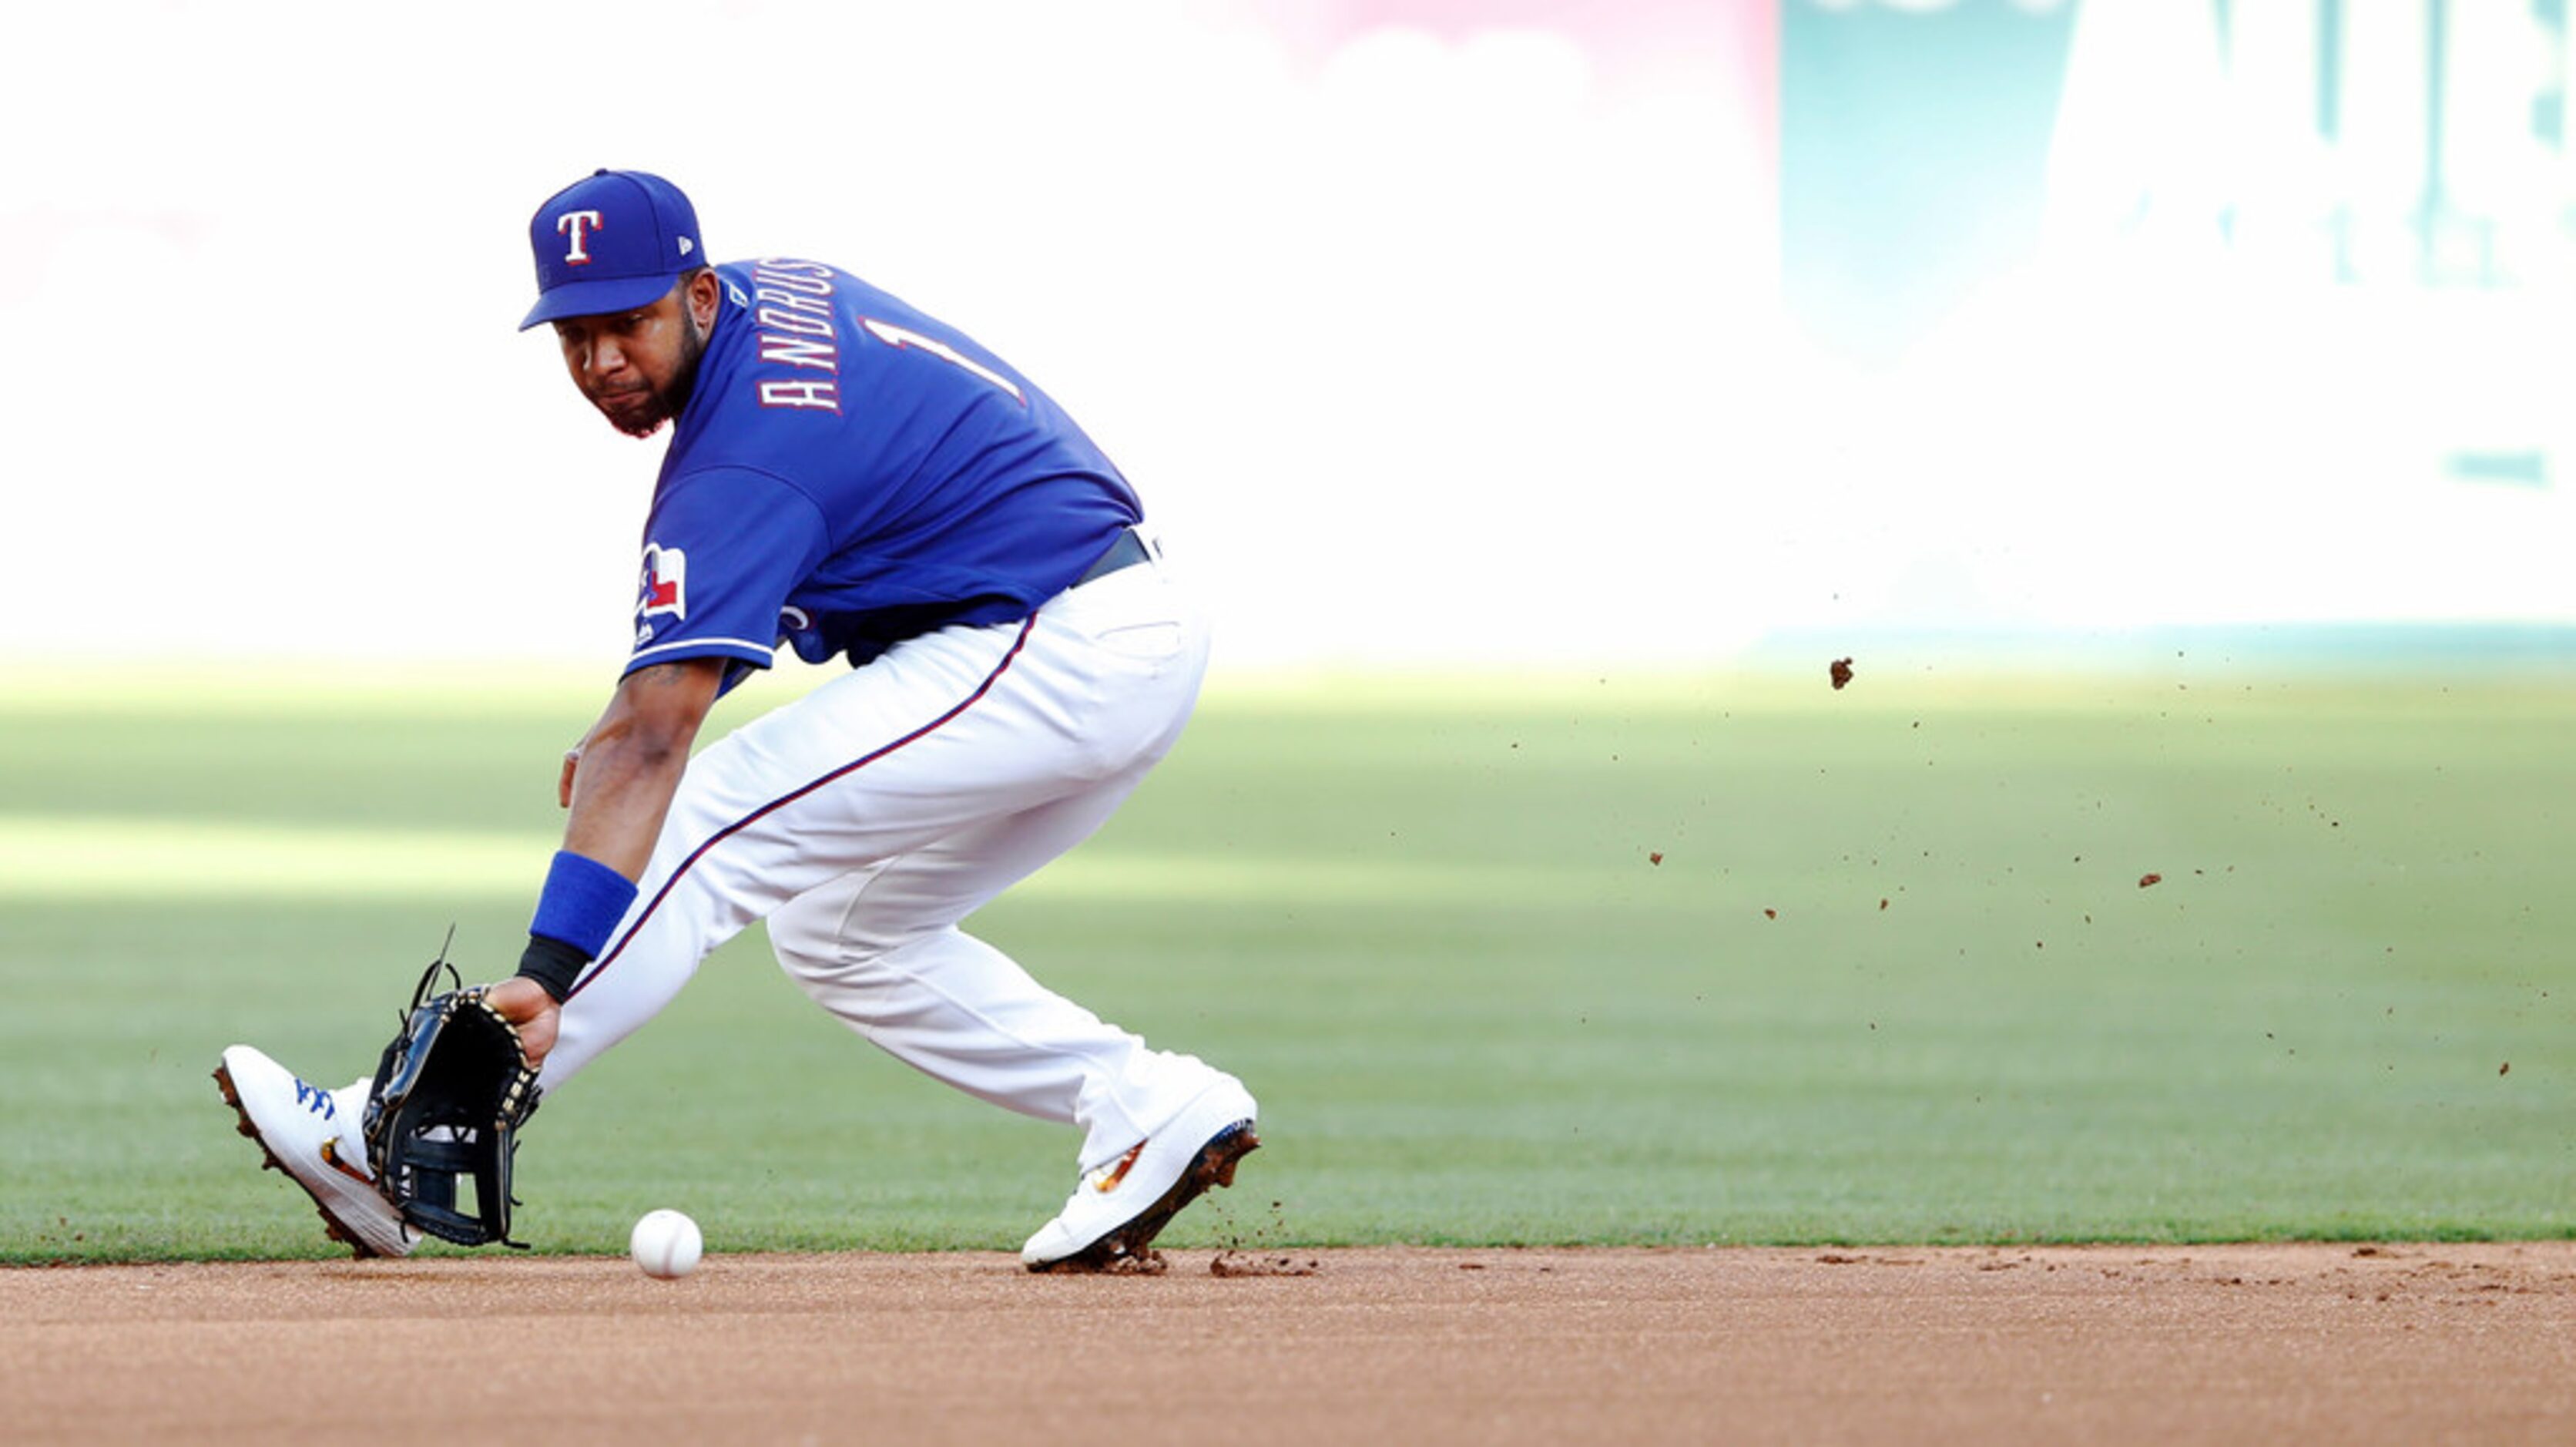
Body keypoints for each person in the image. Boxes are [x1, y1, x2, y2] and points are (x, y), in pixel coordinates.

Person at [216, 169, 1258, 1272]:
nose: (604, 360)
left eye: (630, 322)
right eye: (575, 333)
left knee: (704, 822)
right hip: (1108, 627)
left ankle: (382, 1138)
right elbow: (797, 562)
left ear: (698, 294)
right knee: (842, 933)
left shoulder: (742, 462)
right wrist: (634, 714)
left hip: (1059, 640)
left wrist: (552, 964)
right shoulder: (777, 304)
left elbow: (661, 736)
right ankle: (1146, 1101)